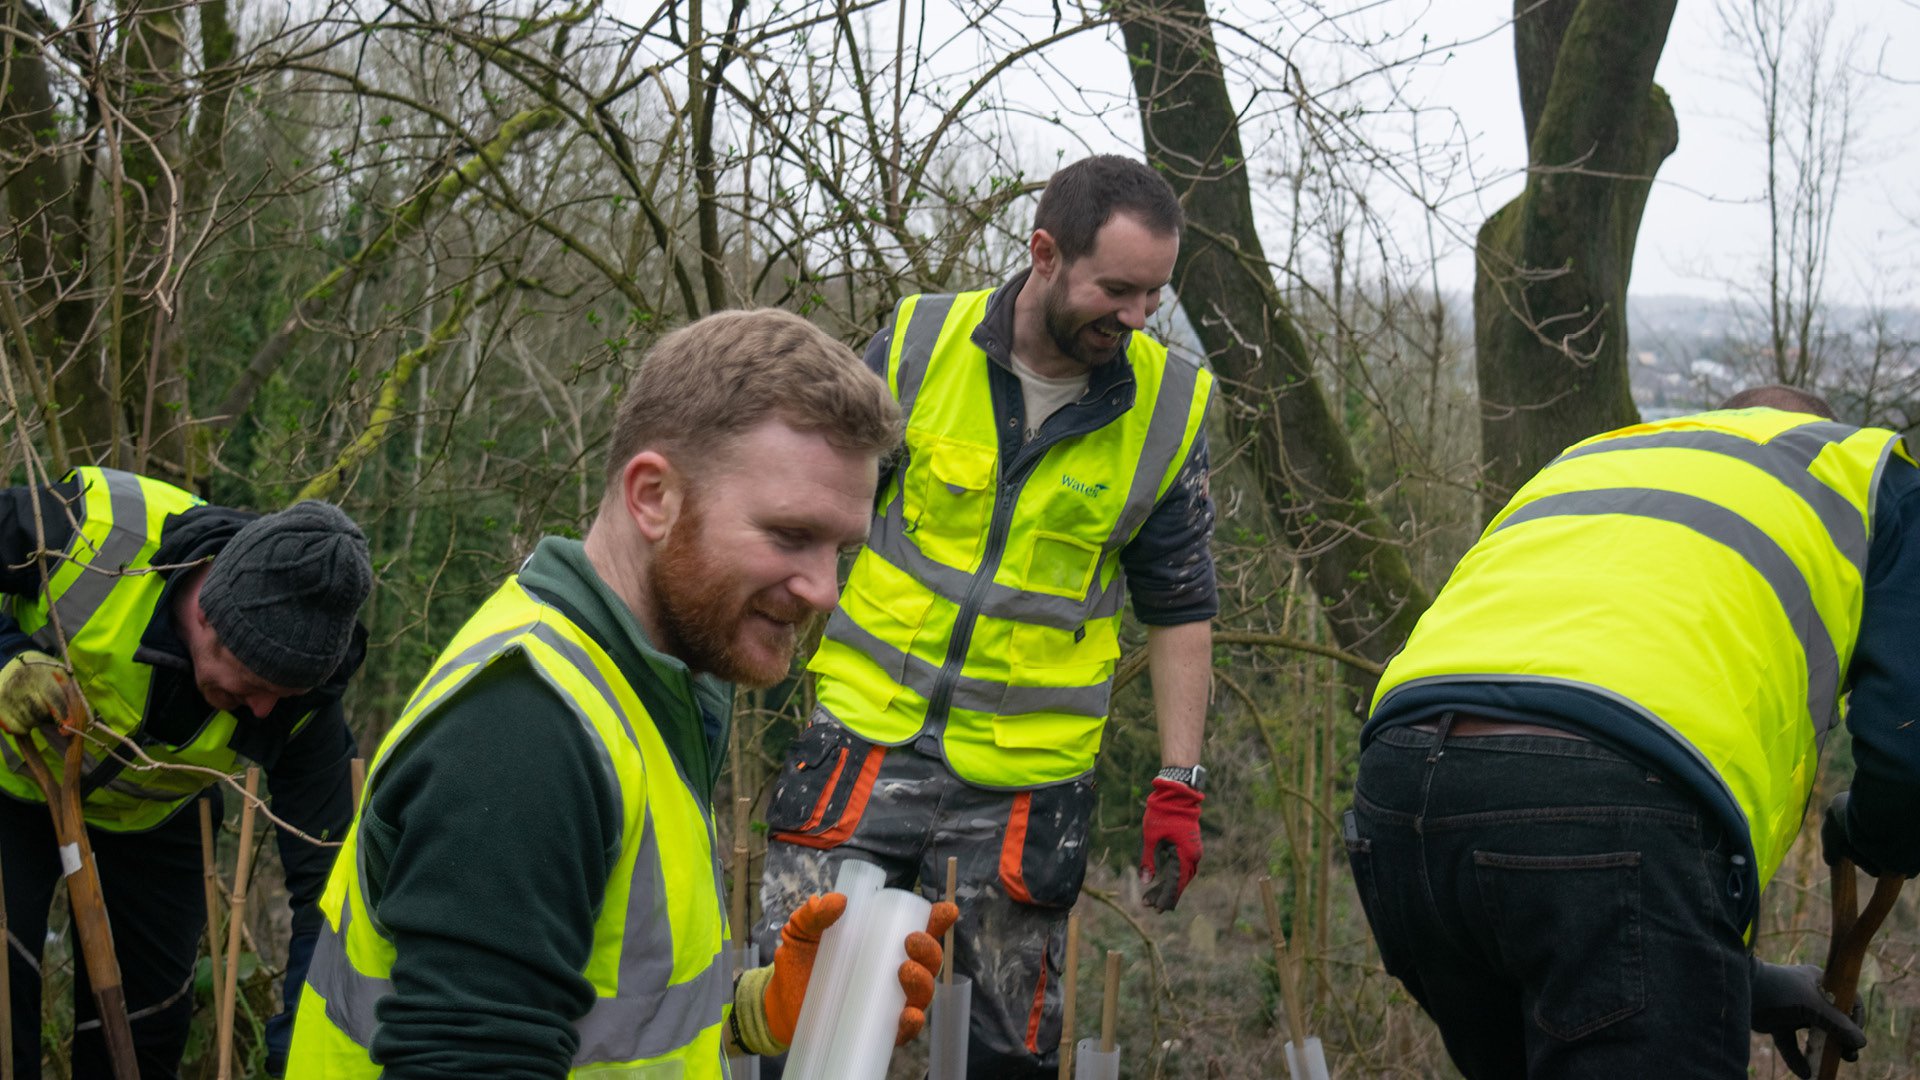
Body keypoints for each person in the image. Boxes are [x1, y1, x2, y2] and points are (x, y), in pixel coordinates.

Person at [286, 308, 957, 1077]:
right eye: (788, 535)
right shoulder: (527, 734)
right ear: (652, 497)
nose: (824, 590)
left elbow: (596, 1025)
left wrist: (757, 1013)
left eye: (840, 549)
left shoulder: (650, 688)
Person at [755, 155, 1217, 1078]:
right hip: (860, 744)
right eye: (1117, 289)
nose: (1134, 318)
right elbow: (804, 505)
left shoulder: (1172, 405)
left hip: (1025, 788)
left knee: (1005, 1060)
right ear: (1045, 253)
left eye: (1155, 296)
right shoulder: (918, 342)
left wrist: (1179, 778)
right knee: (800, 1034)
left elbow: (1181, 609)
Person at [1352, 385, 1920, 1078]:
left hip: (1399, 794)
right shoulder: (1863, 475)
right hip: (1603, 808)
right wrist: (1870, 833)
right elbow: (1907, 744)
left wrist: (1734, 980)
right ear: (1813, 428)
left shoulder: (1598, 458)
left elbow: (1563, 739)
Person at [0, 471, 371, 1078]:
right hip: (10, 784)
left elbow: (325, 893)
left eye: (283, 695)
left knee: (146, 1036)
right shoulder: (92, 531)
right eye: (252, 686)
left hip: (154, 821)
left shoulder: (304, 703)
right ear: (207, 616)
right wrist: (6, 658)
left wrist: (298, 1056)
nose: (261, 712)